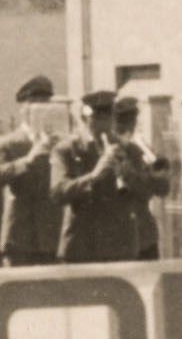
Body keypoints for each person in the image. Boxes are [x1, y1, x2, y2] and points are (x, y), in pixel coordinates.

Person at [49, 90, 149, 264]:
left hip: (120, 245)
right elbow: (57, 192)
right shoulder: (66, 150)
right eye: (96, 118)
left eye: (108, 118)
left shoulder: (130, 150)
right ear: (84, 118)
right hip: (80, 246)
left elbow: (146, 193)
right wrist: (94, 175)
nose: (103, 125)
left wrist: (128, 174)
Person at [0, 76, 65, 267]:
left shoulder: (61, 143)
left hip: (52, 234)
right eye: (34, 104)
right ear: (23, 108)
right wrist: (26, 161)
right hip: (20, 235)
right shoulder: (8, 143)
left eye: (45, 104)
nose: (40, 109)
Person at [113, 95, 172, 262]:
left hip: (144, 234)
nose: (127, 129)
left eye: (131, 122)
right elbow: (132, 186)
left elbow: (163, 187)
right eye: (121, 124)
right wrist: (146, 179)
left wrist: (151, 177)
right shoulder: (110, 152)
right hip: (119, 234)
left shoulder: (140, 150)